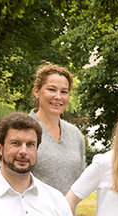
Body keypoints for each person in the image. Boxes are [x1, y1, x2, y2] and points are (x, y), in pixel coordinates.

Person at [29, 63, 86, 194]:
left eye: (64, 92)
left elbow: (81, 183)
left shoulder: (75, 135)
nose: (58, 97)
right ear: (37, 91)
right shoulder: (21, 130)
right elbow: (9, 179)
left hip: (67, 208)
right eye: (52, 90)